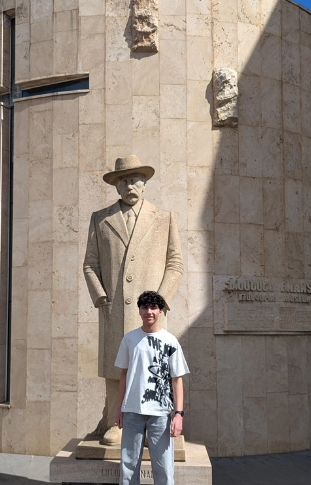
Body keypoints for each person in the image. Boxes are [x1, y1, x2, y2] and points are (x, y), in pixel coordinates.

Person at [83, 155, 184, 444]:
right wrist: (101, 297)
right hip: (113, 308)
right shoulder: (101, 219)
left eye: (135, 179)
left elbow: (175, 263)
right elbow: (90, 264)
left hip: (150, 311)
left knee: (152, 364)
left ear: (145, 183)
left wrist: (159, 301)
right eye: (124, 181)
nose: (130, 185)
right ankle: (115, 421)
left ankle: (154, 421)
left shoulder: (163, 218)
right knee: (116, 365)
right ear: (116, 186)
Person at [115, 291, 189, 485]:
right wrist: (119, 408)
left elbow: (177, 379)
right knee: (128, 468)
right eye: (145, 307)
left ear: (160, 311)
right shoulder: (129, 339)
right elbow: (123, 375)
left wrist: (179, 414)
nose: (149, 311)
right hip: (132, 411)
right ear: (139, 310)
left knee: (164, 468)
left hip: (160, 413)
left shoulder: (170, 341)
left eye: (153, 307)